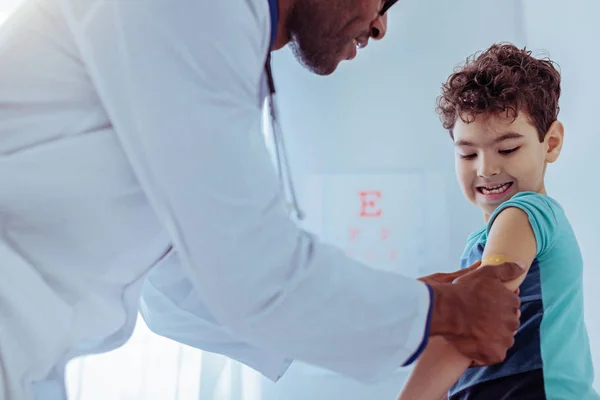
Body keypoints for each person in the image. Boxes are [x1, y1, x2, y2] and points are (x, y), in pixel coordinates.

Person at [0, 1, 524, 399]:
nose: (380, 24)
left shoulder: (213, 38)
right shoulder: (194, 14)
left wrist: (416, 306)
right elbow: (251, 274)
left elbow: (179, 288)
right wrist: (441, 313)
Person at [397, 43, 599, 400]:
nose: (486, 168)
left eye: (507, 149)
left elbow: (476, 319)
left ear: (550, 143)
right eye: (468, 153)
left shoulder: (525, 213)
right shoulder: (484, 238)